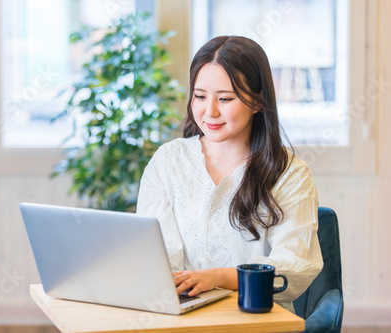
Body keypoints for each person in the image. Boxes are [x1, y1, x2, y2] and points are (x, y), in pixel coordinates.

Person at [136, 36, 323, 312]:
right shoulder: (168, 161)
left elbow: (294, 265)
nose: (209, 112)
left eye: (225, 98)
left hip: (257, 318)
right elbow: (158, 255)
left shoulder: (290, 173)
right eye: (199, 96)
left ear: (258, 101)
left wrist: (221, 277)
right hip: (181, 316)